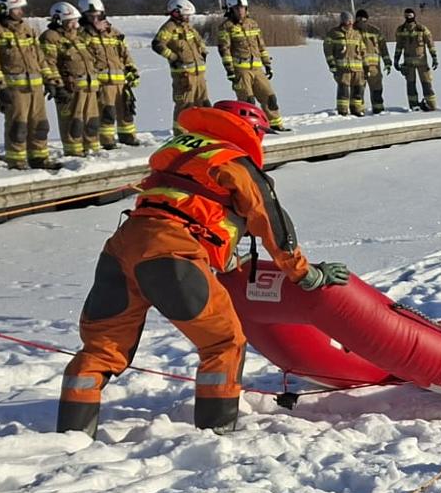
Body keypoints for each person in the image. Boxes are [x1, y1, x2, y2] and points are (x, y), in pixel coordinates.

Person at [58, 101, 351, 439]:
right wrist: (304, 273)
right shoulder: (233, 161)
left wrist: (227, 258)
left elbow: (193, 207)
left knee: (101, 348)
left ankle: (70, 436)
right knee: (223, 342)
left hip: (121, 248)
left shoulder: (183, 152)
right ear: (253, 131)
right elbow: (271, 220)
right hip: (171, 253)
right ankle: (215, 435)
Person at [0, 0, 54, 169]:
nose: (21, 12)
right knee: (18, 126)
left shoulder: (27, 29)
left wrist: (50, 80)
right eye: (16, 8)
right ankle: (16, 161)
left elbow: (39, 57)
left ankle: (39, 158)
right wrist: (0, 87)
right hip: (14, 90)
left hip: (35, 88)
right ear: (3, 9)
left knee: (40, 125)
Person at [216, 0, 285, 132]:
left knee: (270, 97)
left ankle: (275, 124)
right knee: (247, 102)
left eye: (243, 8)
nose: (241, 11)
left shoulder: (252, 24)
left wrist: (267, 64)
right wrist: (230, 70)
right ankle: (249, 129)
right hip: (240, 70)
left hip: (257, 68)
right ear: (231, 9)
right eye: (237, 8)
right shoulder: (226, 27)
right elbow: (224, 50)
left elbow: (261, 46)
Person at [41, 1, 101, 157]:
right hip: (70, 89)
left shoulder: (78, 38)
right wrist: (57, 85)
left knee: (92, 122)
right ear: (59, 20)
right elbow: (48, 62)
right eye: (71, 21)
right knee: (74, 123)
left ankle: (92, 150)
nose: (75, 24)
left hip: (89, 87)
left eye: (76, 20)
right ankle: (74, 152)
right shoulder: (51, 37)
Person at [77, 0, 137, 148]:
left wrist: (131, 70)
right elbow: (79, 50)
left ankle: (128, 136)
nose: (95, 19)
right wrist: (93, 31)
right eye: (91, 16)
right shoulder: (81, 34)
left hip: (120, 80)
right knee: (107, 112)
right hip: (103, 82)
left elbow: (124, 53)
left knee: (126, 110)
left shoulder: (114, 32)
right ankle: (107, 139)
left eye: (97, 15)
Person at [152, 0, 208, 121]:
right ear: (176, 12)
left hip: (199, 75)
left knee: (203, 104)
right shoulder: (169, 27)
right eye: (186, 15)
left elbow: (199, 41)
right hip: (184, 76)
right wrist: (173, 58)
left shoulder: (188, 27)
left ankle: (200, 129)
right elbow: (157, 44)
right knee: (185, 106)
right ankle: (180, 130)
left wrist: (203, 52)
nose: (188, 18)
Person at [394, 8, 438, 111]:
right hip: (408, 64)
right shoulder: (400, 30)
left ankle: (431, 105)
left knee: (427, 84)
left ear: (414, 16)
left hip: (422, 62)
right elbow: (399, 46)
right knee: (411, 86)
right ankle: (414, 106)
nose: (408, 18)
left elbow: (430, 43)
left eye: (410, 16)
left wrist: (434, 57)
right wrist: (396, 59)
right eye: (407, 16)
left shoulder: (422, 29)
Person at [322, 12, 365, 116]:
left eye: (351, 20)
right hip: (343, 69)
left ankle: (356, 110)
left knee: (358, 90)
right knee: (343, 91)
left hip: (357, 69)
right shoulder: (334, 33)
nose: (349, 22)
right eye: (347, 20)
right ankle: (343, 111)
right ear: (342, 21)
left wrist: (366, 65)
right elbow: (328, 51)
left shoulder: (357, 33)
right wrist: (332, 64)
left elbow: (363, 50)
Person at [354, 9, 389, 114]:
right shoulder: (352, 31)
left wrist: (387, 62)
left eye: (364, 18)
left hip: (374, 67)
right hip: (358, 67)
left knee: (377, 90)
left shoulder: (375, 31)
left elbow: (383, 47)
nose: (361, 20)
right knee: (358, 90)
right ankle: (358, 111)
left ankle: (378, 110)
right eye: (359, 18)